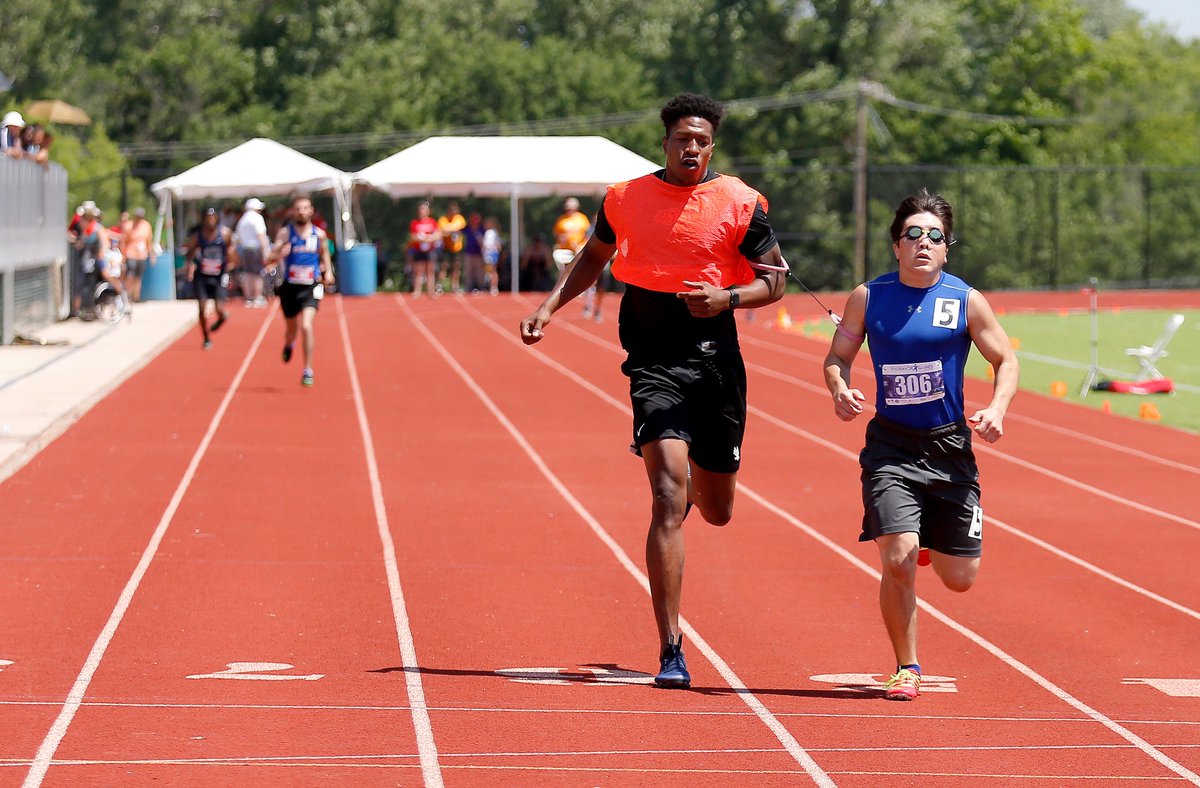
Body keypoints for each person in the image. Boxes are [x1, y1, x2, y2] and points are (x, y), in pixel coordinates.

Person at [520, 93, 787, 689]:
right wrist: (548, 307)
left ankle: (693, 474)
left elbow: (775, 284)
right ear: (665, 142)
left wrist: (728, 299)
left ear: (711, 147)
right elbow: (593, 257)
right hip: (652, 361)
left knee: (715, 512)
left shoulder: (740, 203)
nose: (692, 148)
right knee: (666, 498)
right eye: (682, 139)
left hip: (717, 362)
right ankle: (671, 647)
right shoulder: (625, 198)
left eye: (702, 141)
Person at [823, 190, 1019, 701]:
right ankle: (906, 666)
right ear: (896, 245)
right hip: (891, 446)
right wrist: (841, 389)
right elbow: (836, 357)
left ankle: (933, 536)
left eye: (935, 236)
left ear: (947, 249)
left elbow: (1007, 361)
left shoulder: (965, 299)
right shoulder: (868, 297)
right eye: (913, 234)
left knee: (960, 579)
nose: (924, 243)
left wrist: (996, 410)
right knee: (898, 557)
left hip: (950, 448)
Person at [271, 194, 333, 387]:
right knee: (291, 330)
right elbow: (270, 256)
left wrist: (329, 272)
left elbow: (325, 255)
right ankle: (289, 343)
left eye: (305, 208)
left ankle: (308, 369)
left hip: (311, 286)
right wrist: (279, 252)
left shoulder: (319, 234)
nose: (302, 212)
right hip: (289, 287)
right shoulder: (285, 233)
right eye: (298, 208)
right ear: (293, 212)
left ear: (311, 211)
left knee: (306, 325)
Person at [184, 207, 238, 349]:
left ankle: (221, 317)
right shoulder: (198, 235)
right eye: (208, 218)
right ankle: (206, 337)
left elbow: (232, 253)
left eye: (213, 217)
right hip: (202, 276)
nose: (210, 221)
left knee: (219, 309)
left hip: (219, 276)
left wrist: (230, 265)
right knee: (202, 308)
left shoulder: (225, 234)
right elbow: (189, 253)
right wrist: (191, 259)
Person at [552, 197, 600, 318]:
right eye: (568, 208)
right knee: (556, 255)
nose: (570, 210)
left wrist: (580, 245)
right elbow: (556, 234)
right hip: (566, 250)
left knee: (589, 274)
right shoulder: (561, 220)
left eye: (572, 208)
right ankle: (565, 279)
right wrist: (561, 239)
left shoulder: (582, 219)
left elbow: (588, 234)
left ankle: (582, 288)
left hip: (579, 248)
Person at [235, 197, 271, 307]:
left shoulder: (242, 220)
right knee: (257, 273)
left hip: (245, 248)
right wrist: (266, 250)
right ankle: (257, 297)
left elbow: (238, 237)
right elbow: (261, 234)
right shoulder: (257, 218)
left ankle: (249, 297)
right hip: (255, 248)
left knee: (248, 273)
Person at [120, 207, 153, 302]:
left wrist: (151, 255)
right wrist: (123, 255)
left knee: (138, 276)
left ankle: (136, 296)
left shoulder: (147, 226)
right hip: (131, 253)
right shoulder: (128, 226)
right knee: (130, 274)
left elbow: (149, 242)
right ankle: (126, 293)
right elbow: (123, 241)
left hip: (142, 254)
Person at [409, 201, 440, 297]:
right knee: (418, 271)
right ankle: (417, 291)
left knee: (430, 271)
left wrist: (429, 239)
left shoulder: (432, 222)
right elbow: (412, 236)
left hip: (430, 250)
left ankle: (431, 291)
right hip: (419, 250)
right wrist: (419, 238)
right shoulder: (414, 223)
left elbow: (437, 234)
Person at [438, 200, 467, 293]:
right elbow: (442, 230)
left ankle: (455, 286)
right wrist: (451, 229)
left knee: (456, 267)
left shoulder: (459, 218)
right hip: (446, 247)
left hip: (457, 248)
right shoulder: (443, 219)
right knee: (444, 266)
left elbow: (459, 227)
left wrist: (449, 229)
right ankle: (440, 285)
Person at [461, 212, 486, 293]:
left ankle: (481, 287)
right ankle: (469, 288)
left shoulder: (482, 229)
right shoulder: (467, 228)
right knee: (469, 272)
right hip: (469, 253)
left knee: (479, 272)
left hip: (479, 254)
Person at [481, 216, 502, 296]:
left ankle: (493, 287)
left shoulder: (491, 232)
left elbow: (497, 245)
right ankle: (491, 287)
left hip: (491, 254)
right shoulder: (491, 232)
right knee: (489, 271)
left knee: (491, 271)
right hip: (489, 254)